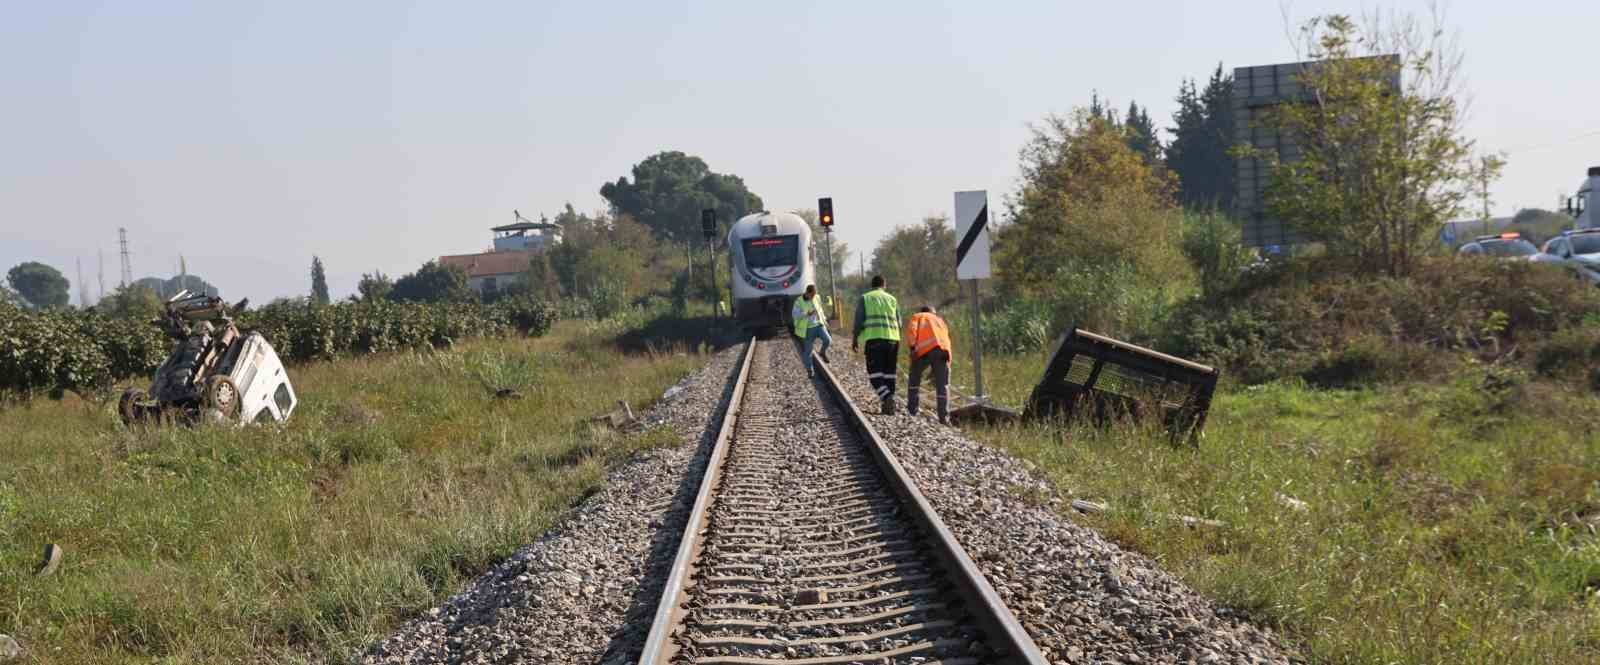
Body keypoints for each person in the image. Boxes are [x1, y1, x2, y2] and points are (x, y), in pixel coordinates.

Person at [851, 275, 901, 415]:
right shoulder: (892, 299)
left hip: (875, 340)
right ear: (884, 285)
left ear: (872, 285)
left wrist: (855, 339)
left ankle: (887, 397)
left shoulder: (866, 298)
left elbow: (859, 321)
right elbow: (899, 322)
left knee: (875, 374)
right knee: (889, 374)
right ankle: (888, 405)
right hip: (893, 340)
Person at [904, 305, 953, 424]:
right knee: (943, 386)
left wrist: (912, 349)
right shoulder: (940, 320)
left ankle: (912, 411)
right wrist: (947, 362)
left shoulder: (917, 316)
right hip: (943, 352)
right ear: (932, 312)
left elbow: (912, 331)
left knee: (914, 380)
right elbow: (946, 340)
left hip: (923, 351)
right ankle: (944, 418)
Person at [791, 284, 832, 377]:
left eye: (815, 294)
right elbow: (795, 315)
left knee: (828, 340)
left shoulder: (816, 297)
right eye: (812, 295)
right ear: (807, 293)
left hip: (818, 325)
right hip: (807, 329)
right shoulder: (799, 301)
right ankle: (810, 370)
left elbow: (821, 308)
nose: (813, 296)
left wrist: (825, 320)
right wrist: (806, 313)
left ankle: (822, 352)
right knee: (808, 351)